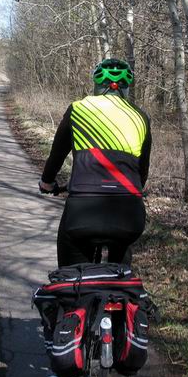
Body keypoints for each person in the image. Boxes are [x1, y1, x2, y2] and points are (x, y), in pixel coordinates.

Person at [39, 58, 151, 266]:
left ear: (97, 86)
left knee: (71, 274)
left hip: (83, 210)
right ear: (125, 89)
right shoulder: (141, 117)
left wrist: (47, 183)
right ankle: (122, 290)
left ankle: (73, 290)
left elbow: (57, 155)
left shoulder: (78, 109)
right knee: (121, 270)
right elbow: (142, 171)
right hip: (128, 212)